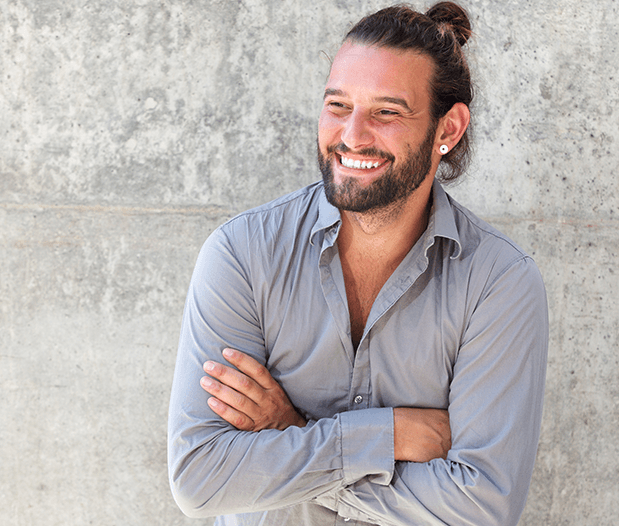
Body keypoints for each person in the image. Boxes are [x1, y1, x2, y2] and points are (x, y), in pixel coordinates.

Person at [168, 3, 548, 525]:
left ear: (449, 128)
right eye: (338, 105)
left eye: (386, 112)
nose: (352, 135)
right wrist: (388, 435)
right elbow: (201, 478)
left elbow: (481, 508)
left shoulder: (499, 283)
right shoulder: (243, 253)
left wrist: (289, 433)